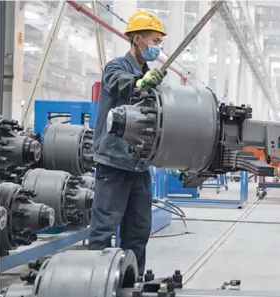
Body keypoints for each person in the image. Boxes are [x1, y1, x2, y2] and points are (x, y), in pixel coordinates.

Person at [89, 10, 167, 274]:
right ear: (136, 40)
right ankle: (95, 285)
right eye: (154, 41)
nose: (157, 46)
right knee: (103, 231)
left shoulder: (151, 77)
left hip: (139, 166)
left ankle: (132, 283)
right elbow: (122, 84)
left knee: (138, 233)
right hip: (113, 163)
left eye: (159, 42)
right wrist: (141, 82)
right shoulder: (116, 67)